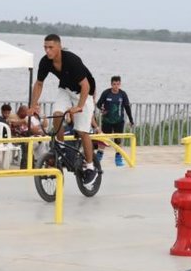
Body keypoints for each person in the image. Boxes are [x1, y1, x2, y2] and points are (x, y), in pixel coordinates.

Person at [30, 34, 99, 182]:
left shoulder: (72, 60)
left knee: (82, 131)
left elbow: (85, 85)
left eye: (51, 47)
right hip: (66, 89)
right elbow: (39, 84)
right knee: (57, 114)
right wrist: (33, 106)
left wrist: (79, 106)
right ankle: (61, 147)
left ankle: (91, 166)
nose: (47, 51)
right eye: (45, 47)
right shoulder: (45, 62)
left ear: (59, 47)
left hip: (84, 94)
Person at [96, 76, 135, 165]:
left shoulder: (123, 94)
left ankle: (118, 159)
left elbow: (127, 107)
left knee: (118, 140)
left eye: (118, 84)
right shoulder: (106, 93)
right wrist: (102, 109)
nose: (116, 86)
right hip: (107, 121)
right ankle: (98, 158)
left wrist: (131, 120)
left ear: (120, 84)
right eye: (114, 84)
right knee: (103, 140)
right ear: (111, 84)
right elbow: (98, 104)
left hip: (119, 121)